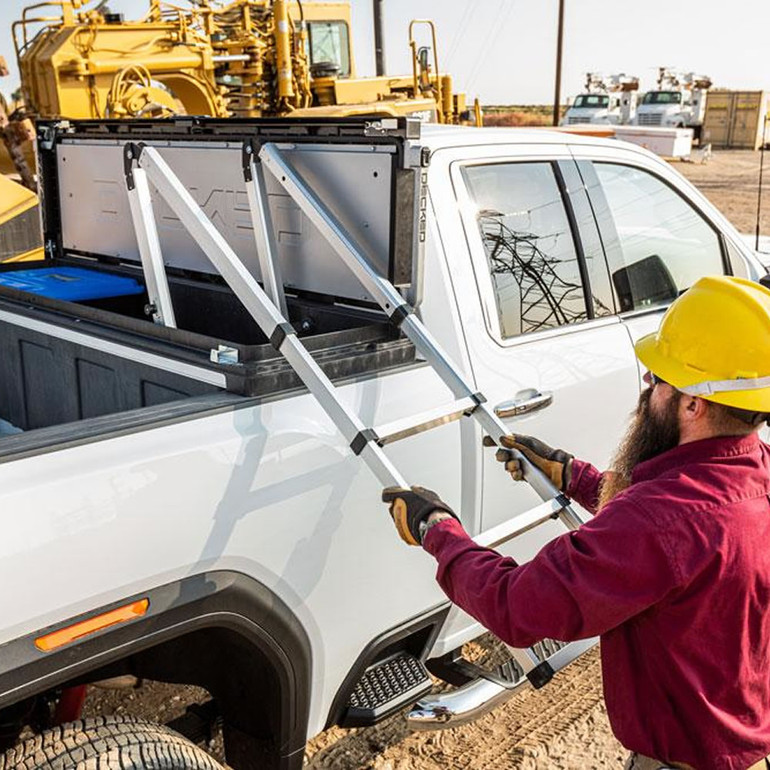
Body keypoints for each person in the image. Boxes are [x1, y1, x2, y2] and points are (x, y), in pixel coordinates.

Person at [382, 275, 770, 770]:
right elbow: (666, 538)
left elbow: (516, 606)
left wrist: (438, 530)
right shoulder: (755, 469)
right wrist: (573, 475)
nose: (647, 385)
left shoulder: (664, 519)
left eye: (659, 377)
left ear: (694, 403)